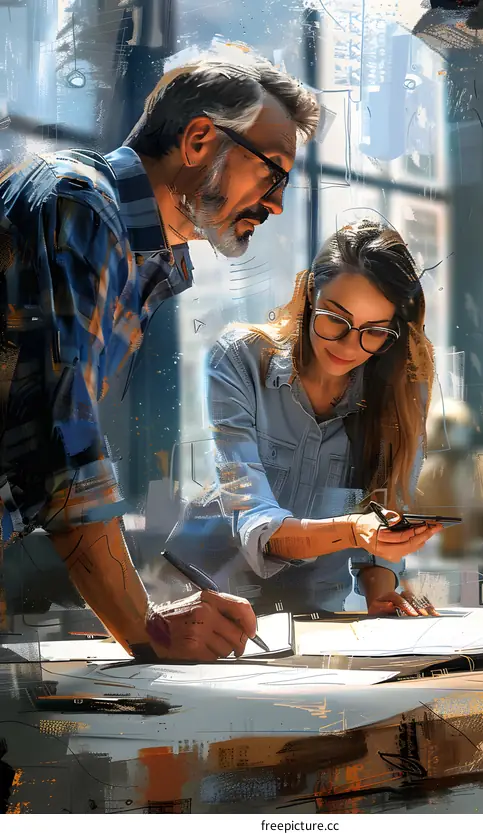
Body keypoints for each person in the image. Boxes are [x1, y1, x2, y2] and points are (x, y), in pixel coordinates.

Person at [0, 48, 320, 660]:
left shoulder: (146, 254)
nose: (276, 203)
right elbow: (63, 445)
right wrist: (150, 632)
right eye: (272, 173)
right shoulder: (79, 201)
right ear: (199, 139)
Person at [166, 221, 443, 615]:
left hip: (317, 615)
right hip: (205, 602)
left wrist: (381, 591)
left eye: (374, 331)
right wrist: (353, 531)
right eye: (336, 318)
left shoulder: (401, 387)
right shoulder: (239, 359)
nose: (350, 346)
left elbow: (386, 507)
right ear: (311, 293)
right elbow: (256, 522)